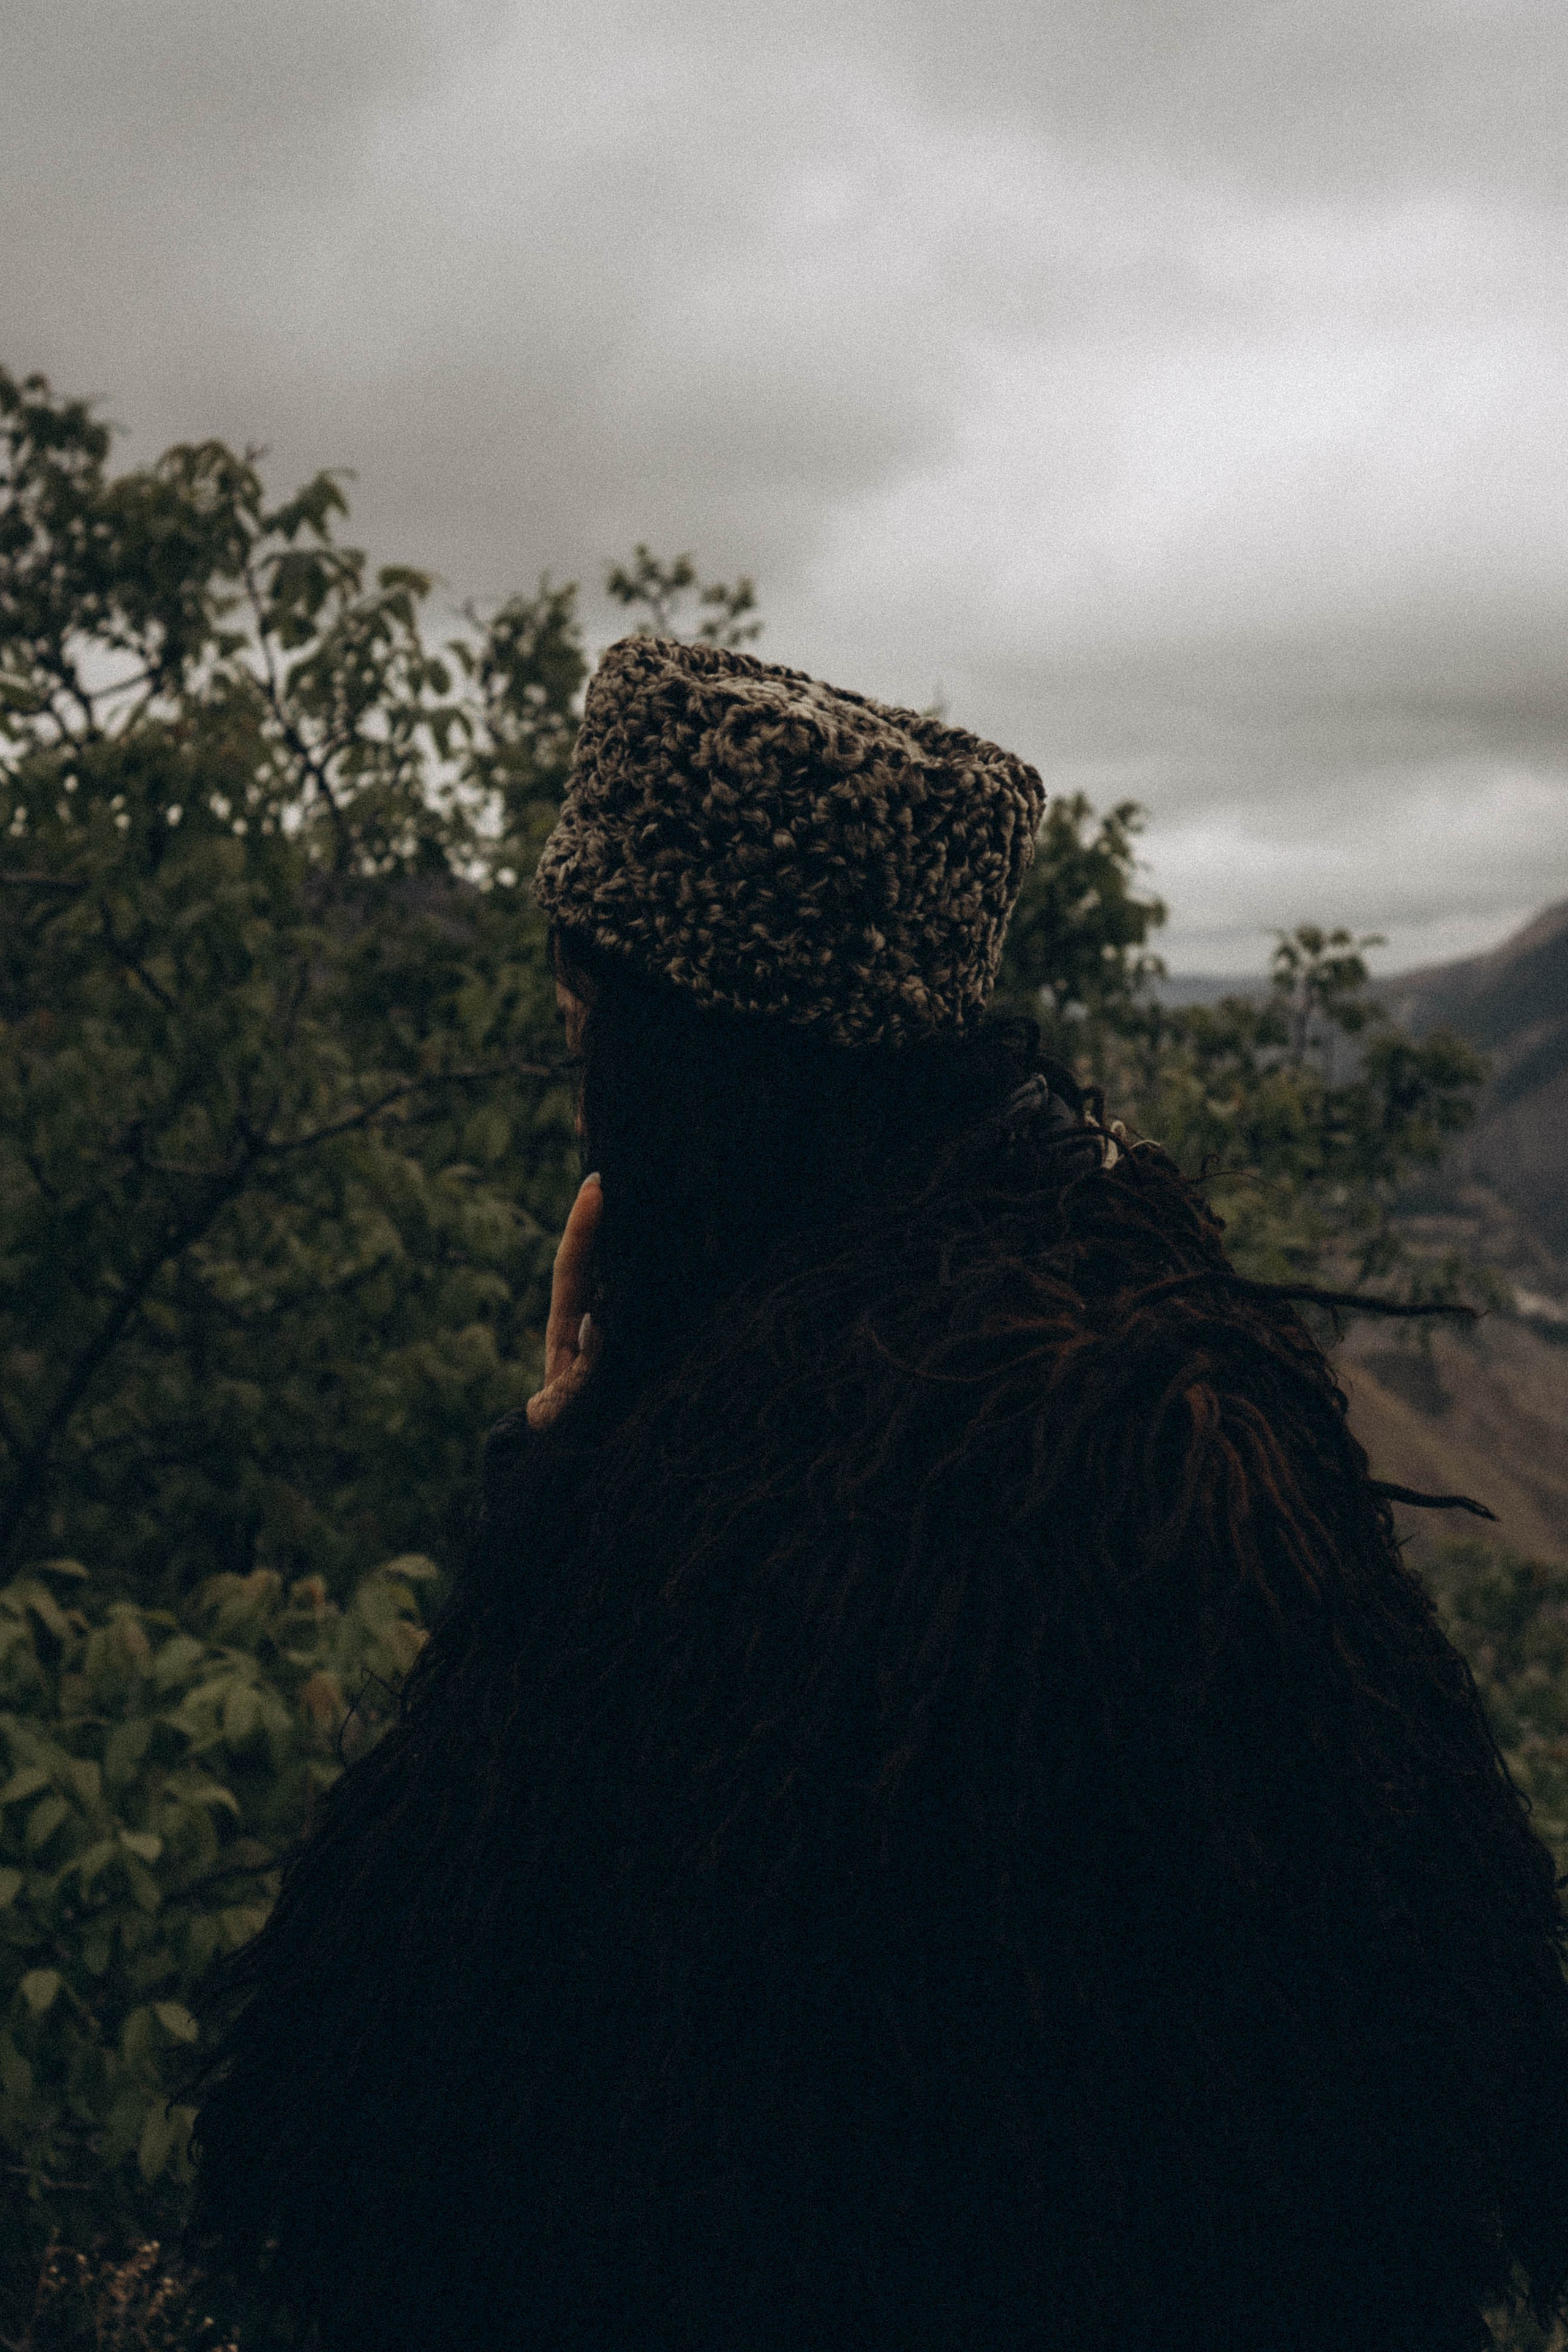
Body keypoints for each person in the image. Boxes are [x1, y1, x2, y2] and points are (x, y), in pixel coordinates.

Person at [191, 637, 1568, 2352]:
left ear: (666, 1041)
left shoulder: (793, 1508)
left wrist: (558, 1506)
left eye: (581, 1015)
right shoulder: (1164, 1369)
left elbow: (410, 2107)